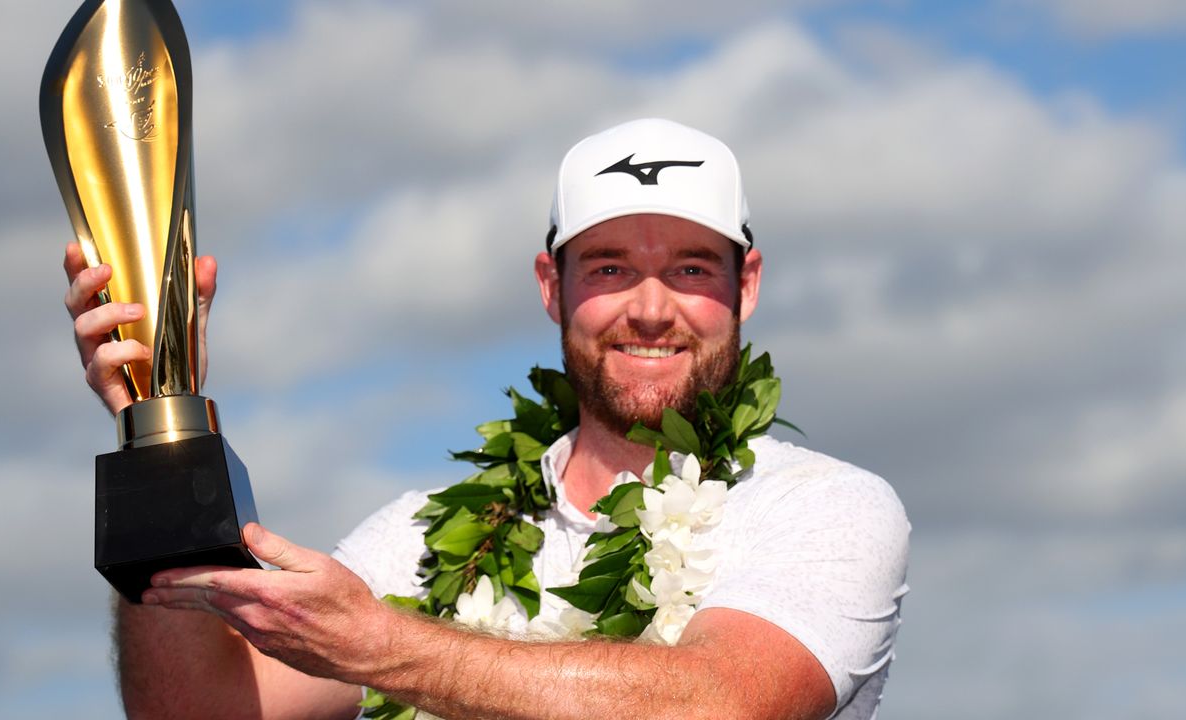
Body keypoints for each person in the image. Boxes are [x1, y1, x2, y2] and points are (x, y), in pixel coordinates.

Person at [63, 118, 909, 719]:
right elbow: (200, 714)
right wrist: (157, 419)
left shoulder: (823, 506)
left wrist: (378, 645)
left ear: (747, 285)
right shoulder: (426, 538)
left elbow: (719, 706)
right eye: (609, 266)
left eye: (691, 267)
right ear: (551, 284)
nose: (651, 309)